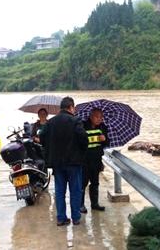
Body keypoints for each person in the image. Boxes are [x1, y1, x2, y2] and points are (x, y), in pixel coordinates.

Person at [39, 96, 88, 226]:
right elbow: (84, 139)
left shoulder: (51, 122)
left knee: (60, 191)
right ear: (71, 107)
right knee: (75, 190)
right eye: (74, 108)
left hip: (57, 164)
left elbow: (42, 137)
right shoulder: (76, 121)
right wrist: (81, 151)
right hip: (74, 163)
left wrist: (50, 147)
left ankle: (61, 218)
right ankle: (76, 218)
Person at [80, 108, 109, 213]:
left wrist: (104, 139)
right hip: (84, 160)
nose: (99, 119)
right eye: (97, 117)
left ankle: (95, 204)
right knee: (83, 183)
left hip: (96, 160)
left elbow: (106, 143)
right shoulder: (82, 126)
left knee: (95, 182)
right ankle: (81, 205)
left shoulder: (103, 127)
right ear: (91, 116)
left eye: (101, 117)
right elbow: (78, 142)